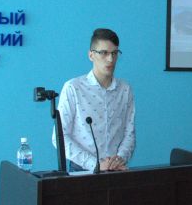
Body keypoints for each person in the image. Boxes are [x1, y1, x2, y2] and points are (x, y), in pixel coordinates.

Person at [52, 28, 135, 171]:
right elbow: (59, 137)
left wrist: (119, 159)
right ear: (91, 55)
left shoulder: (125, 89)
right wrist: (95, 164)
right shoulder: (73, 88)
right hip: (83, 170)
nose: (110, 59)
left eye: (114, 53)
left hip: (117, 169)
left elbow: (130, 133)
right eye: (104, 53)